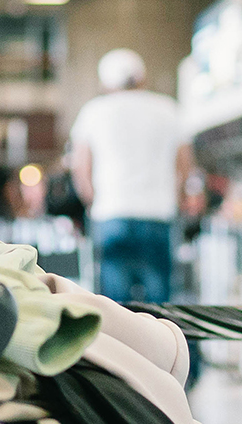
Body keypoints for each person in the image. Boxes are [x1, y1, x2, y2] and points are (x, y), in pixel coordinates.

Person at [69, 48, 184, 305]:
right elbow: (184, 166)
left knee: (115, 307)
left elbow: (81, 169)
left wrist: (93, 202)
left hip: (110, 215)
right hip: (158, 214)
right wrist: (177, 198)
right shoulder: (168, 109)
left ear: (105, 82)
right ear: (142, 77)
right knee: (159, 305)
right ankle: (161, 347)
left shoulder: (93, 111)